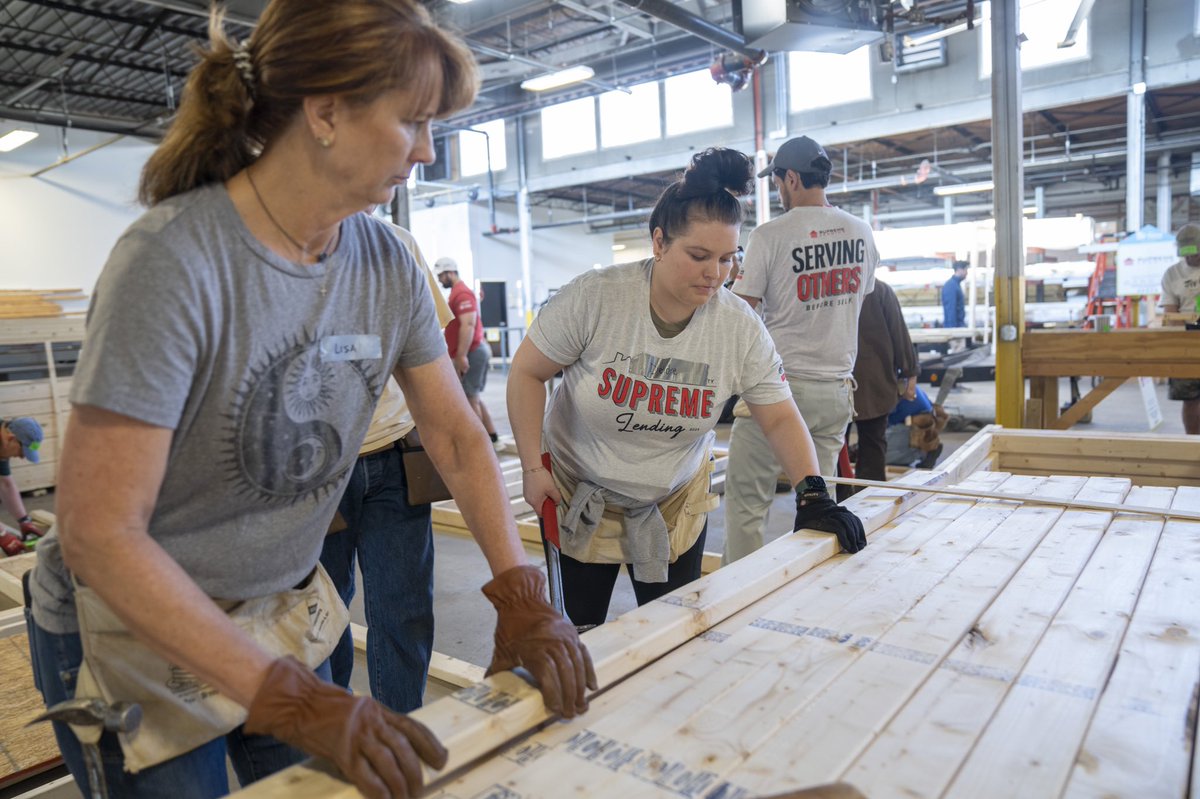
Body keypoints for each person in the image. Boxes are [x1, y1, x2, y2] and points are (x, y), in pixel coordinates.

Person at [25, 3, 593, 798]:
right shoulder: (174, 262)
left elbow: (457, 436)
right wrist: (291, 698)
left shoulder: (385, 260)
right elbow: (100, 532)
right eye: (414, 121)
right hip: (134, 626)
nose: (428, 151)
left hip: (279, 606)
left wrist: (520, 591)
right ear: (326, 112)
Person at [507, 148, 865, 631]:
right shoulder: (597, 298)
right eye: (699, 256)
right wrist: (533, 467)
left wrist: (813, 493)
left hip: (674, 500)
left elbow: (779, 415)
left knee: (674, 632)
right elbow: (526, 373)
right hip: (581, 493)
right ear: (659, 242)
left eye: (727, 258)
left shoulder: (738, 326)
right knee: (582, 632)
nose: (715, 273)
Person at [724, 135, 878, 564]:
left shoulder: (770, 235)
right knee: (818, 507)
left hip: (777, 392)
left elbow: (740, 312)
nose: (778, 190)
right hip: (835, 391)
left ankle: (738, 593)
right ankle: (811, 583)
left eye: (777, 182)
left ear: (791, 178)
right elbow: (860, 297)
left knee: (746, 503)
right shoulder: (861, 232)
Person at [318, 223, 452, 714]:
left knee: (405, 608)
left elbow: (430, 347)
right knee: (321, 614)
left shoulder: (397, 244)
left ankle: (402, 729)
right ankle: (334, 732)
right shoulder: (286, 245)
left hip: (395, 456)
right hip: (317, 467)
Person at [849, 280, 918, 492]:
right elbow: (899, 332)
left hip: (837, 377)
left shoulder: (829, 286)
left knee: (833, 448)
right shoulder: (879, 289)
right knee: (873, 444)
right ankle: (868, 499)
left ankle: (838, 498)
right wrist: (909, 372)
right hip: (875, 380)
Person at [436, 256, 500, 444]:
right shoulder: (456, 293)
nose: (439, 280)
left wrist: (462, 355)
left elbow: (468, 324)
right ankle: (492, 436)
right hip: (470, 351)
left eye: (441, 276)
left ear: (450, 273)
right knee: (473, 396)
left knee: (470, 399)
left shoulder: (462, 294)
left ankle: (478, 444)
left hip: (471, 351)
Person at [1160, 223, 1200, 433]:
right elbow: (1171, 314)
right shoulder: (1172, 274)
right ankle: (1193, 442)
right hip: (1187, 334)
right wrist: (1180, 343)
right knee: (1190, 397)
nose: (1192, 258)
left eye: (1196, 254)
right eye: (1187, 254)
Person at [0, 417, 44, 540]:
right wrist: (2, 534)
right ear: (11, 438)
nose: (21, 457)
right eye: (22, 451)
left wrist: (24, 521)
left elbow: (6, 484)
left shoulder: (3, 445)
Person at [941, 260, 969, 329]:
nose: (967, 273)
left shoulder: (955, 285)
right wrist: (953, 330)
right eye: (965, 270)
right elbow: (951, 309)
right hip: (954, 327)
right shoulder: (951, 286)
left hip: (957, 326)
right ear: (959, 270)